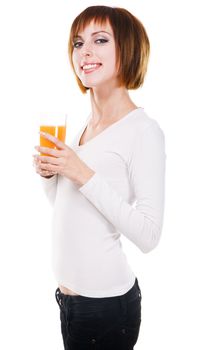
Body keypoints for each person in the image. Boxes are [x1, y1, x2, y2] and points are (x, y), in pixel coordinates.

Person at [33, 5, 166, 350]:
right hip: (70, 303)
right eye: (78, 43)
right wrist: (51, 177)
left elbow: (149, 236)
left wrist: (81, 172)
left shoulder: (143, 131)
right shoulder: (83, 128)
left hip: (106, 308)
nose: (85, 52)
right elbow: (74, 211)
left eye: (100, 40)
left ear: (128, 50)